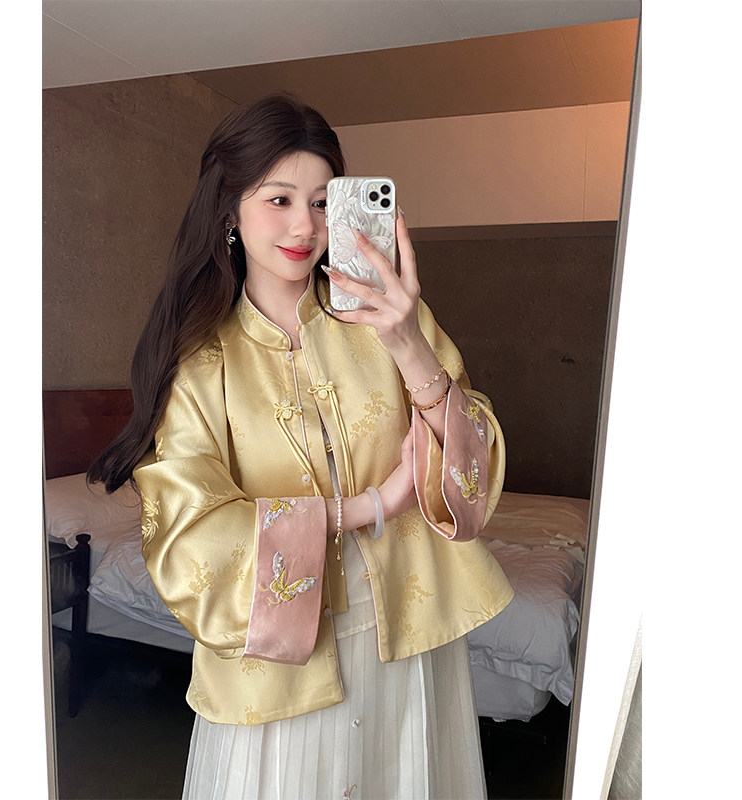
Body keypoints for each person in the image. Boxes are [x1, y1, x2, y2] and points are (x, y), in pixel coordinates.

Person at [88, 93, 514, 800]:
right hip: (284, 667)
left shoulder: (388, 318)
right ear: (230, 211)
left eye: (321, 202)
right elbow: (190, 542)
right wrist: (367, 507)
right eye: (278, 199)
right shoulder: (201, 364)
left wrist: (409, 344)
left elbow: (480, 470)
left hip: (409, 642)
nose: (304, 226)